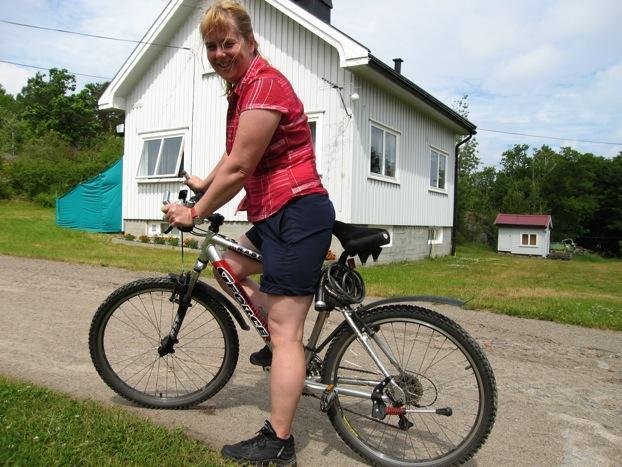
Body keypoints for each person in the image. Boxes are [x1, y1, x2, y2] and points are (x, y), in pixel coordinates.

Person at [162, 1, 334, 465]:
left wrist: (195, 210)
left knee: (285, 335)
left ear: (250, 43)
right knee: (228, 266)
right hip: (278, 214)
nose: (219, 52)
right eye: (212, 46)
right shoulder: (244, 89)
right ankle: (279, 333)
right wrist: (205, 182)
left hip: (298, 213)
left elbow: (240, 167)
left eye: (228, 43)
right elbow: (233, 155)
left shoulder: (264, 85)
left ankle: (278, 442)